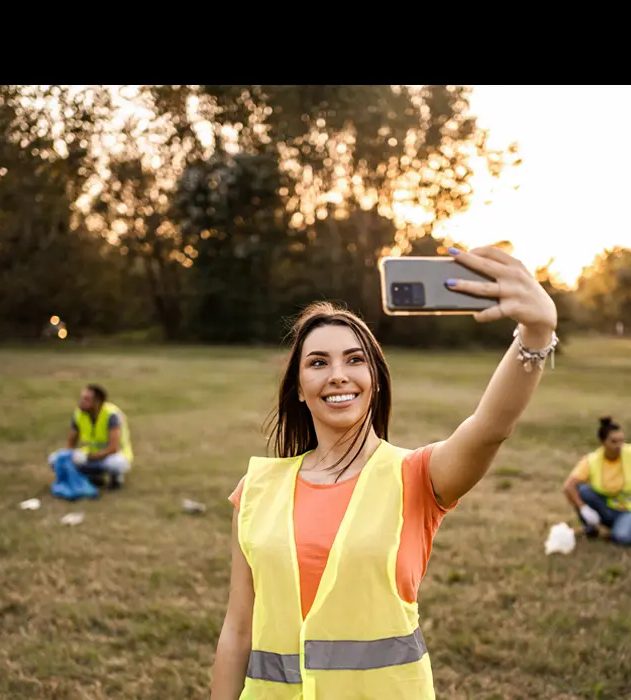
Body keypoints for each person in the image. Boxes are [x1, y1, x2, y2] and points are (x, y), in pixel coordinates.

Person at [210, 245, 559, 699]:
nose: (338, 375)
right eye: (318, 363)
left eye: (355, 360)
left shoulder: (416, 476)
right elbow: (238, 630)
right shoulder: (255, 490)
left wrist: (535, 334)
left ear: (375, 379)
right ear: (299, 388)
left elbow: (490, 428)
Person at [562, 416, 631, 546]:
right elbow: (568, 486)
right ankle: (591, 528)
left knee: (623, 538)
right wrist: (584, 509)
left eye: (621, 441)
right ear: (603, 442)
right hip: (609, 509)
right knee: (582, 491)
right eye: (613, 442)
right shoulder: (592, 460)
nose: (619, 446)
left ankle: (627, 528)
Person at [48, 384, 134, 489]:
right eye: (82, 398)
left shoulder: (111, 415)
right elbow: (70, 444)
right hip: (90, 455)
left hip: (111, 456)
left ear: (97, 402)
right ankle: (92, 476)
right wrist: (69, 457)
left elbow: (113, 448)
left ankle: (115, 478)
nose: (82, 402)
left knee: (116, 464)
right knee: (54, 459)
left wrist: (87, 457)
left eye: (87, 399)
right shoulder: (79, 414)